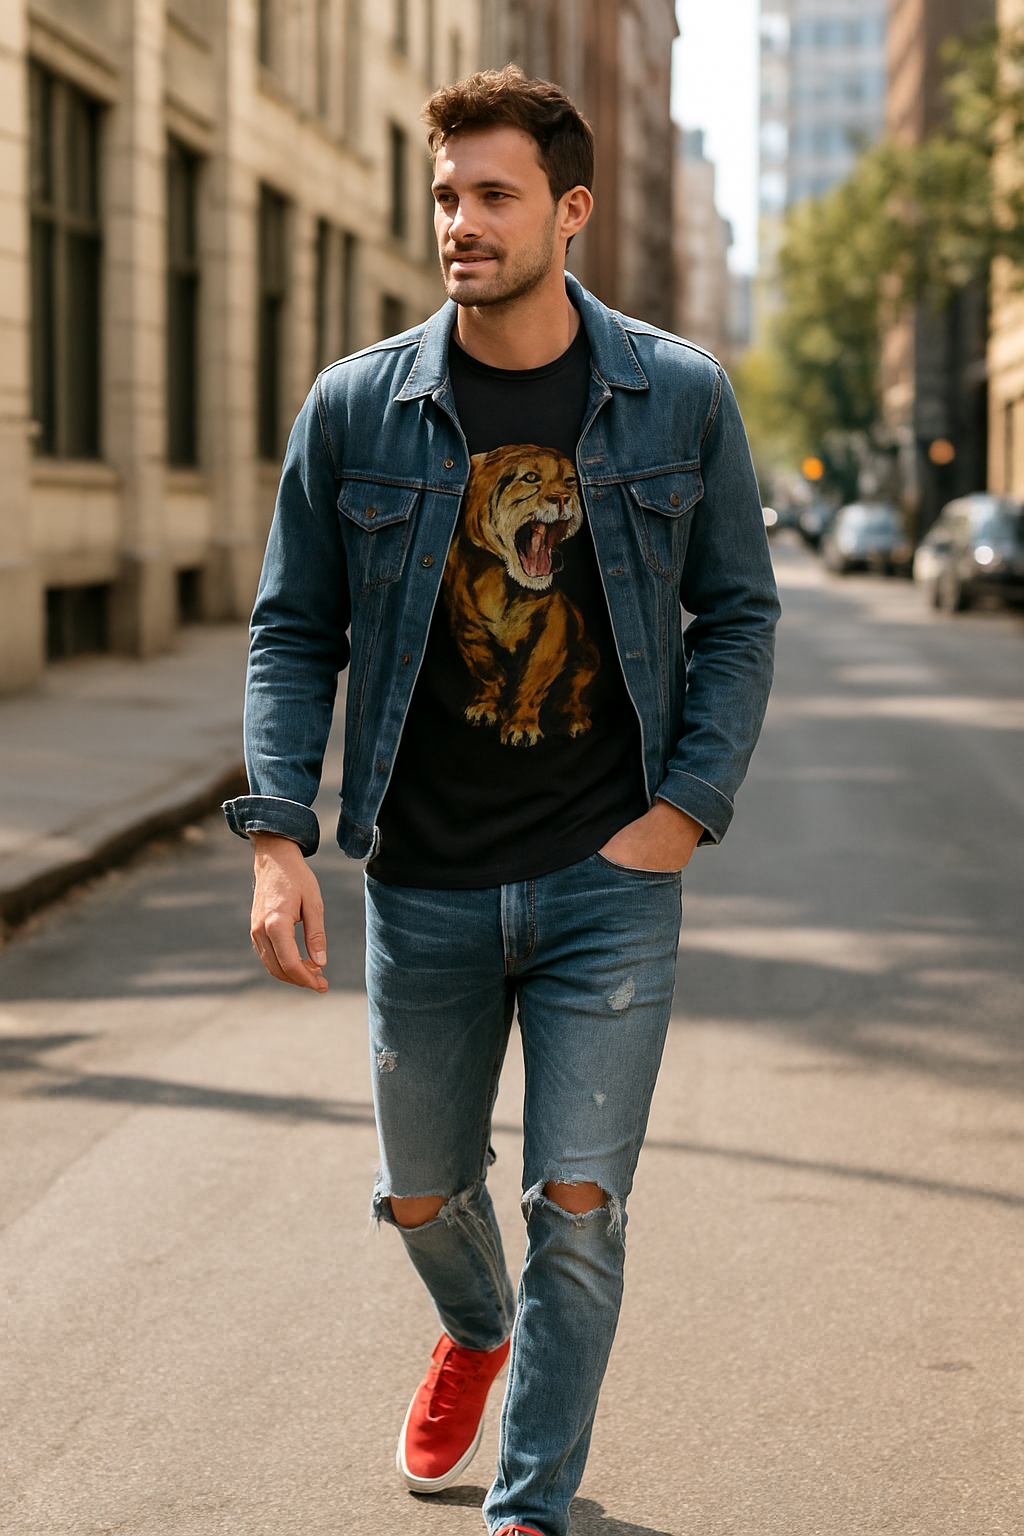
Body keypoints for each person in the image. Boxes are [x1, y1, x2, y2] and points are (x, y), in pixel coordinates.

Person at [226, 65, 779, 1536]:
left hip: (611, 881)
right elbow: (293, 628)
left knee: (578, 1209)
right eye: (446, 195)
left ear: (570, 210)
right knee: (422, 1191)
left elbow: (738, 609)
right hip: (426, 878)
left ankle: (527, 1505)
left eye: (493, 195)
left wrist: (686, 808)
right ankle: (476, 1328)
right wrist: (276, 838)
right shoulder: (360, 406)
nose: (460, 222)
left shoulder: (677, 395)